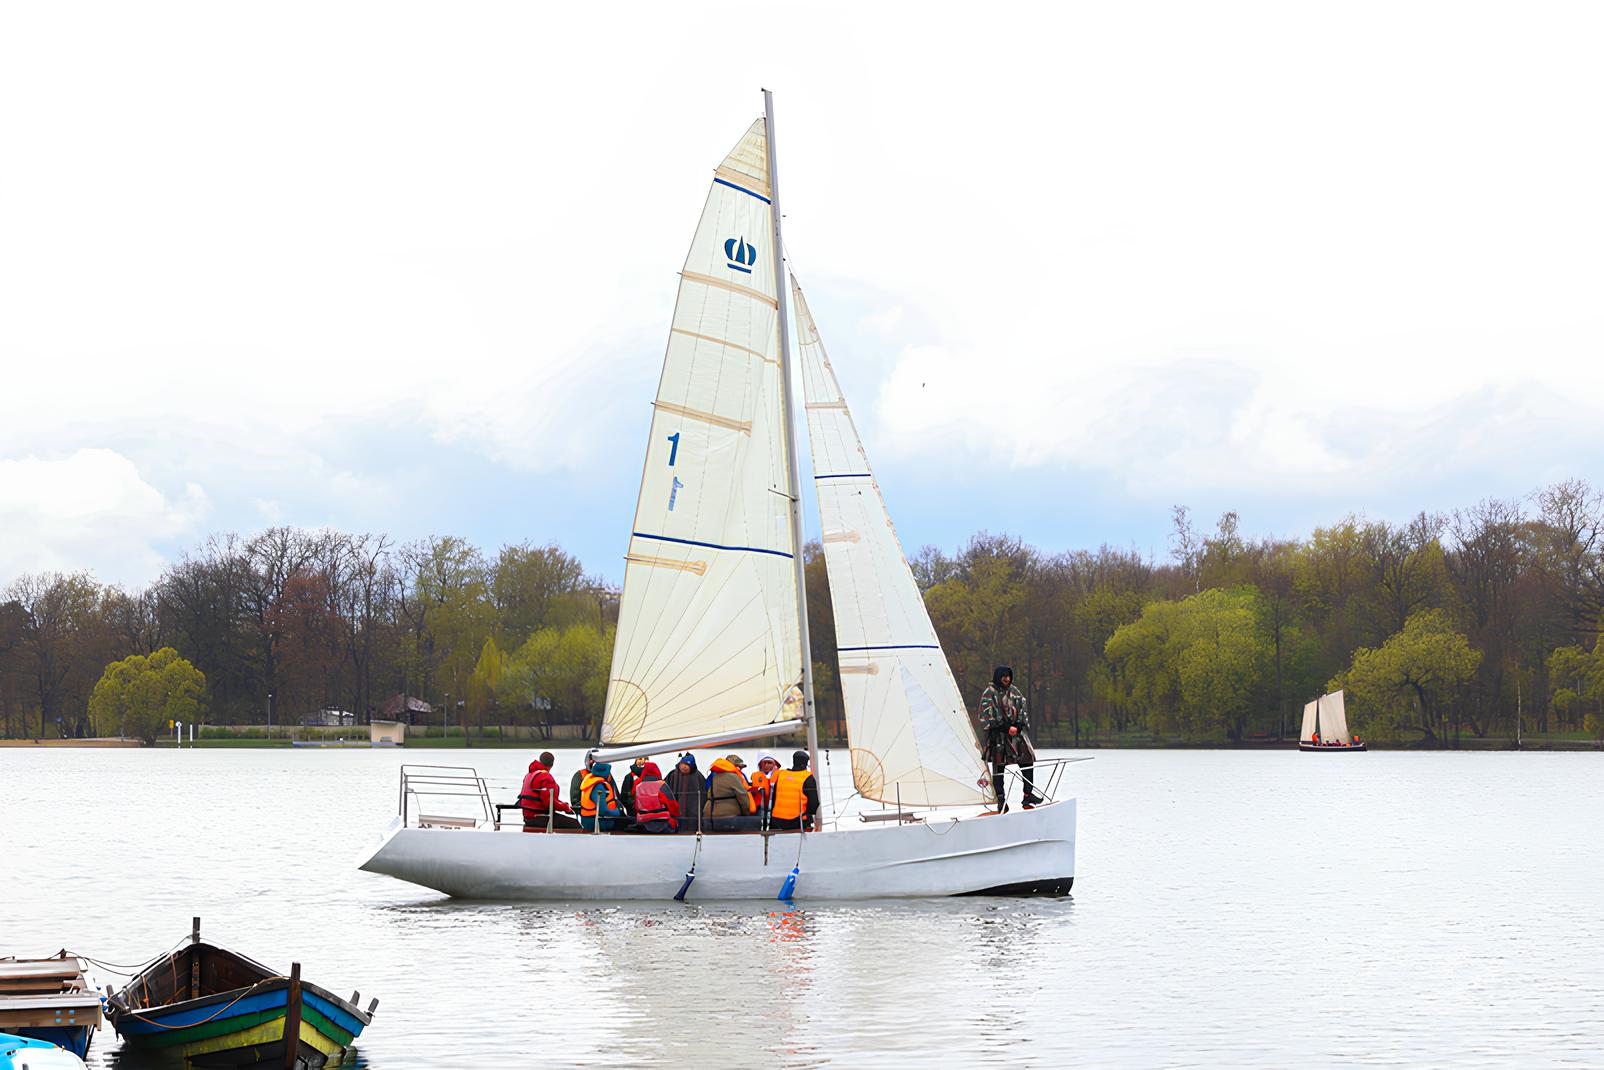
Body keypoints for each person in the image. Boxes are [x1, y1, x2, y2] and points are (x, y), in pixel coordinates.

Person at [980, 665, 1038, 811]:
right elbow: (986, 716)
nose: (1006, 679)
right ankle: (1001, 799)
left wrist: (1018, 726)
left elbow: (1023, 710)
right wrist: (1005, 728)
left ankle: (1027, 795)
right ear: (998, 677)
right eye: (1004, 676)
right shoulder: (989, 693)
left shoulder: (1015, 691)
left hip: (1016, 736)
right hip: (998, 737)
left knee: (1028, 760)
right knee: (999, 767)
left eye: (1008, 676)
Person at [517, 751, 581, 831]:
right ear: (552, 764)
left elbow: (544, 798)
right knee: (575, 824)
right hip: (540, 817)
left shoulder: (529, 775)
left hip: (527, 818)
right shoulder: (546, 777)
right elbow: (548, 802)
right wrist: (565, 807)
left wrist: (561, 804)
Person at [769, 750, 820, 831]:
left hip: (776, 820)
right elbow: (814, 804)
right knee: (807, 817)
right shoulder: (808, 777)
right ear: (806, 763)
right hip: (796, 822)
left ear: (793, 761)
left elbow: (774, 797)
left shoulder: (780, 775)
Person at [703, 754, 757, 830]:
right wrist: (746, 813)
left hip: (709, 815)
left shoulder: (715, 775)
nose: (740, 769)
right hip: (727, 817)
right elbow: (742, 797)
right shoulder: (733, 776)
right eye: (738, 767)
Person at [578, 761, 630, 832]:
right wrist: (619, 812)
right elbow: (603, 811)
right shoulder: (598, 787)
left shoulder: (590, 782)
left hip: (588, 820)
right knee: (632, 823)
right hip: (598, 822)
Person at [631, 761, 680, 833]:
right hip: (663, 823)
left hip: (643, 823)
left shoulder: (638, 786)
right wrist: (677, 814)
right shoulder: (662, 785)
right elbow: (672, 804)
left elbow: (636, 806)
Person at [663, 754, 705, 833]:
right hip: (675, 811)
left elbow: (703, 795)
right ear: (680, 763)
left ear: (692, 767)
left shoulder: (698, 776)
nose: (684, 767)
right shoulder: (672, 775)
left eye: (687, 765)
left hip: (693, 814)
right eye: (683, 764)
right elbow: (664, 790)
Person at [749, 752, 781, 818]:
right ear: (760, 764)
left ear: (775, 764)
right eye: (764, 763)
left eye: (769, 763)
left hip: (775, 806)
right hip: (759, 807)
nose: (766, 765)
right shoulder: (755, 775)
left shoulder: (780, 775)